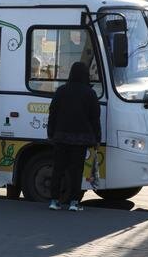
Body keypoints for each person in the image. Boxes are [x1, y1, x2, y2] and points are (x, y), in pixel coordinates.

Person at [47, 62, 101, 211]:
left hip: (61, 137)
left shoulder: (61, 91)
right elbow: (95, 118)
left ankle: (54, 201)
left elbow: (53, 113)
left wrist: (50, 133)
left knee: (58, 169)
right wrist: (97, 138)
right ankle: (74, 202)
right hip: (80, 139)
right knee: (76, 171)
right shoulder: (90, 93)